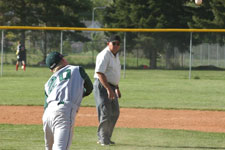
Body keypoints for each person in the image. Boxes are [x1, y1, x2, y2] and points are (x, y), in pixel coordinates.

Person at [42, 51, 93, 150]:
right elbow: (89, 88)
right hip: (64, 112)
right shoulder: (77, 69)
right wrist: (78, 94)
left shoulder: (48, 83)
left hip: (47, 116)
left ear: (51, 70)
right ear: (63, 60)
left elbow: (45, 106)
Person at [93, 34, 122, 146]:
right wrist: (109, 89)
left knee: (115, 112)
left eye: (118, 44)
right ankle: (103, 139)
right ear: (108, 44)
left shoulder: (116, 55)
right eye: (113, 43)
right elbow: (100, 73)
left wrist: (117, 88)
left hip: (112, 86)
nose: (116, 45)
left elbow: (114, 73)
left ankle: (107, 137)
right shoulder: (104, 54)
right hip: (102, 86)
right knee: (105, 112)